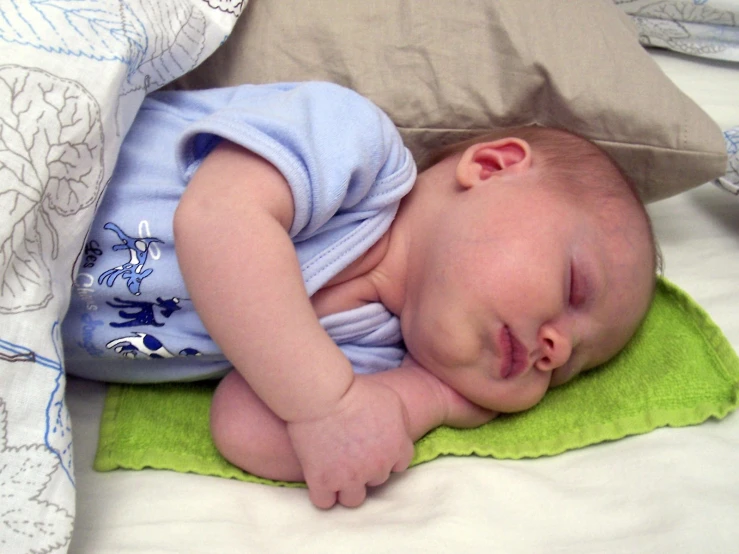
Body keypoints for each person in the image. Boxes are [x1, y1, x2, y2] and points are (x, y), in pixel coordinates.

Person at [63, 81, 658, 510]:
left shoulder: (369, 355)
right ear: (495, 166)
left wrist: (417, 400)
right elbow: (219, 217)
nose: (555, 348)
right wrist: (325, 406)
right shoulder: (354, 149)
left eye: (569, 368)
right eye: (575, 286)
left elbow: (243, 427)